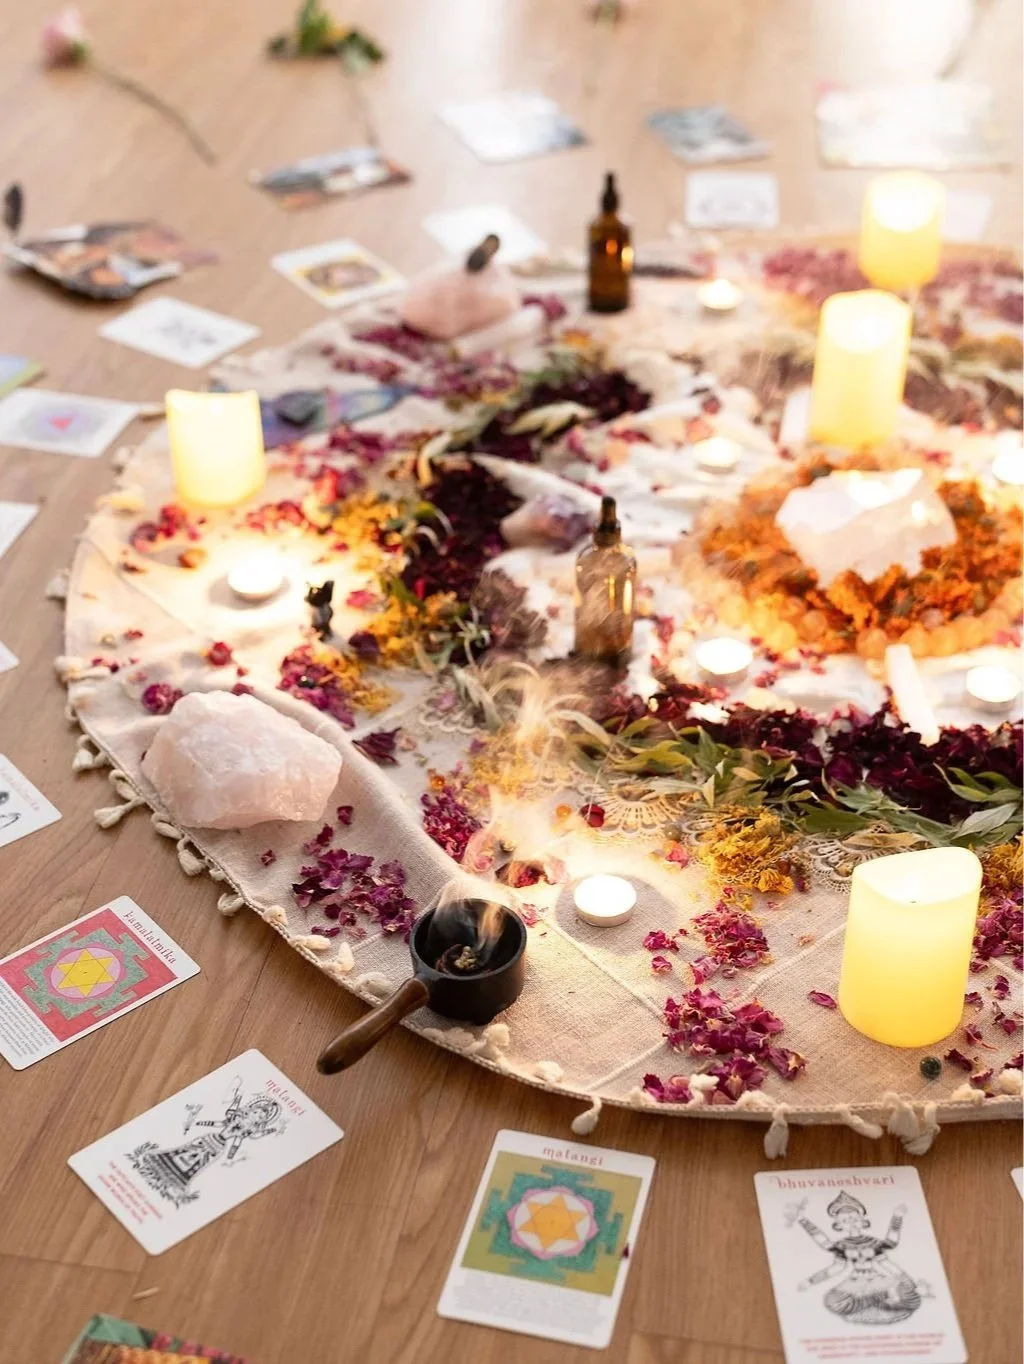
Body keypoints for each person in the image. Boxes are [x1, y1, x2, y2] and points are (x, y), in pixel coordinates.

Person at [796, 1190, 921, 1325]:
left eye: (855, 1219)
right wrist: (810, 1281)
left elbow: (890, 1247)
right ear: (838, 1225)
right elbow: (834, 1266)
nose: (851, 1223)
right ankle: (879, 1298)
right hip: (855, 1282)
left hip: (877, 1279)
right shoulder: (842, 1246)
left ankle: (880, 1298)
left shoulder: (873, 1243)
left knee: (912, 1298)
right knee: (832, 1302)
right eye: (845, 1220)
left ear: (863, 1222)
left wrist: (897, 1217)